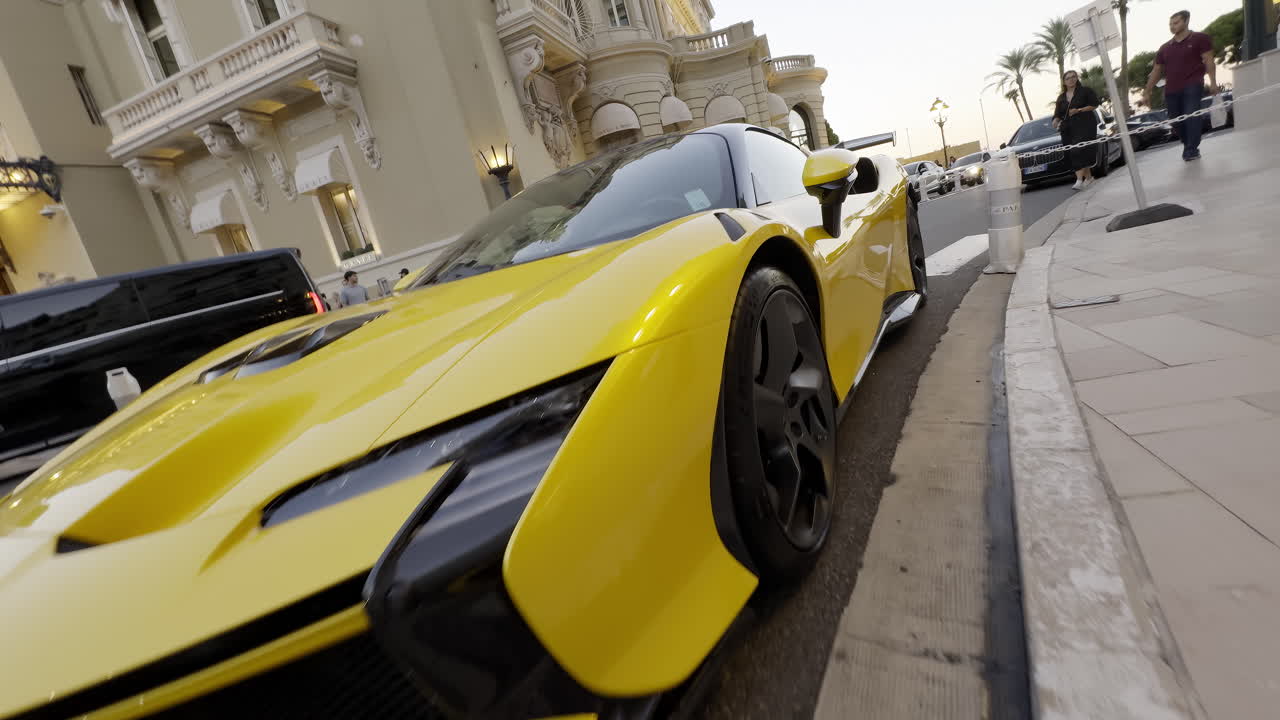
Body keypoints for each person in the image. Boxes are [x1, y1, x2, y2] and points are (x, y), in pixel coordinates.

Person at [1144, 10, 1216, 161]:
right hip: (1171, 89)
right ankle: (1188, 143)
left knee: (1191, 115)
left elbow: (1209, 60)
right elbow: (1156, 70)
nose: (1172, 26)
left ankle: (1191, 149)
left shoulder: (1200, 39)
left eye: (1176, 23)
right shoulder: (1165, 48)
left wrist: (1213, 83)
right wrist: (1147, 91)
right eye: (1170, 24)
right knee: (1175, 119)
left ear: (1186, 21)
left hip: (1193, 84)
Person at [1053, 70, 1101, 191]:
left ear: (1077, 78)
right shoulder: (1061, 97)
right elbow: (1057, 113)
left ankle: (1079, 180)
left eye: (1073, 77)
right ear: (1064, 82)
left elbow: (1095, 104)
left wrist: (1079, 110)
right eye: (1068, 78)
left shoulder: (1085, 91)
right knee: (1073, 152)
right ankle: (1089, 178)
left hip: (1085, 124)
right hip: (1068, 128)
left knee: (1077, 150)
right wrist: (1055, 120)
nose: (1071, 79)